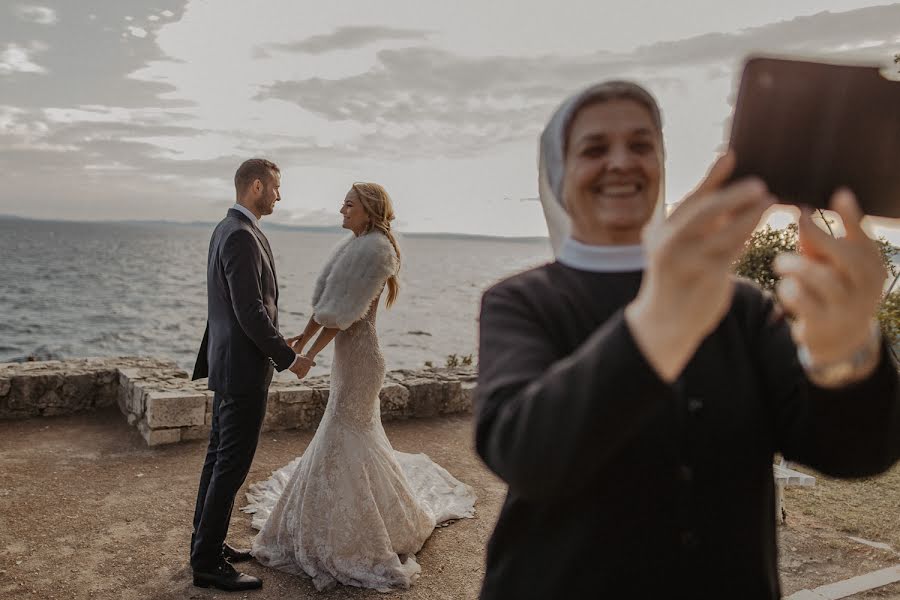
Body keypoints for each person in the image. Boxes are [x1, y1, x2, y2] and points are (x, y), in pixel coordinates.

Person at [474, 81, 900, 599]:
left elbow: (853, 453)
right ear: (559, 175)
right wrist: (660, 319)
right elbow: (524, 453)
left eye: (640, 145)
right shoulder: (520, 302)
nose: (621, 162)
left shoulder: (742, 306)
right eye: (593, 148)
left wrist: (844, 353)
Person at [241, 182, 477, 592]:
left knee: (347, 433)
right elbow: (328, 305)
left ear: (368, 210)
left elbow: (345, 316)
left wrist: (308, 356)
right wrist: (301, 338)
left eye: (348, 204)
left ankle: (359, 530)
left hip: (362, 361)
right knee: (345, 432)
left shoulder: (375, 251)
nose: (341, 208)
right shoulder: (353, 246)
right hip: (346, 360)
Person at [190, 158, 314, 591]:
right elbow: (249, 311)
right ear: (256, 186)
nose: (280, 195)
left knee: (218, 462)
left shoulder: (228, 229)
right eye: (276, 187)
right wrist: (288, 357)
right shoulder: (241, 236)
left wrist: (281, 344)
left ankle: (207, 546)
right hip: (241, 371)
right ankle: (207, 563)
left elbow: (241, 307)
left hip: (228, 365)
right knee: (230, 465)